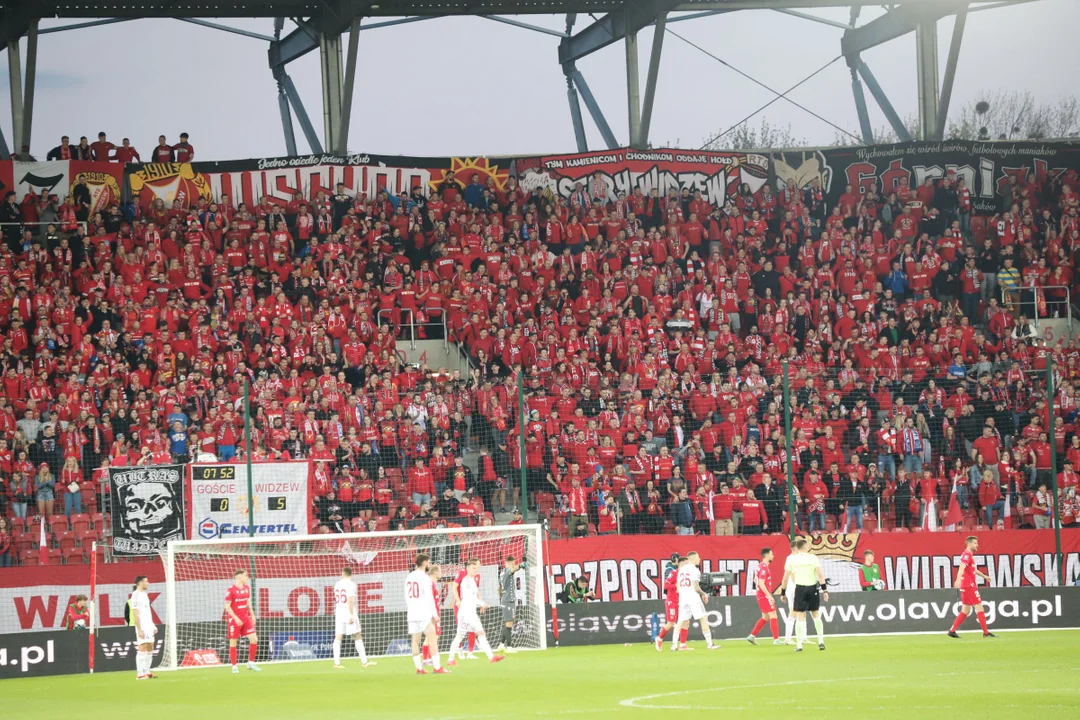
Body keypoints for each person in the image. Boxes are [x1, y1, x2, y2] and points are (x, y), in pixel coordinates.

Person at [446, 559, 505, 665]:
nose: (476, 570)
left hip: (467, 613)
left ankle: (451, 659)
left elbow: (474, 594)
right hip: (467, 613)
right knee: (479, 633)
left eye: (477, 568)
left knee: (461, 636)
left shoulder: (472, 579)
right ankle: (491, 657)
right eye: (474, 568)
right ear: (468, 568)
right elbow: (469, 597)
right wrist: (482, 603)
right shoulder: (467, 580)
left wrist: (480, 602)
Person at [779, 538, 827, 652]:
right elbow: (820, 575)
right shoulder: (813, 558)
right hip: (812, 588)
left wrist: (782, 593)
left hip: (799, 588)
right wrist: (825, 590)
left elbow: (785, 578)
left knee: (799, 616)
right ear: (805, 547)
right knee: (816, 614)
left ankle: (799, 645)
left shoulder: (792, 560)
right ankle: (821, 642)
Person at [405, 553, 447, 674]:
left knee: (415, 641)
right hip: (423, 612)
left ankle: (419, 668)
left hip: (412, 612)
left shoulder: (409, 576)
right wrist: (434, 614)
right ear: (424, 563)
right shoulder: (425, 578)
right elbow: (429, 598)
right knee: (432, 638)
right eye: (428, 562)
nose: (429, 564)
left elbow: (407, 596)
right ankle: (437, 667)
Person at [947, 535, 995, 638]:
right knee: (979, 607)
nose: (977, 545)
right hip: (969, 586)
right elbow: (961, 567)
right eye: (975, 543)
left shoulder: (969, 555)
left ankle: (952, 631)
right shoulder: (967, 555)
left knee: (966, 610)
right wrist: (958, 579)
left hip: (967, 586)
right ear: (969, 544)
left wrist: (984, 576)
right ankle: (986, 633)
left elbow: (972, 570)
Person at [673, 551, 720, 651]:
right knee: (703, 618)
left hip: (683, 597)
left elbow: (678, 585)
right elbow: (696, 587)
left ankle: (674, 645)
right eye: (698, 557)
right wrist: (704, 594)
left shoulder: (681, 569)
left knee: (680, 621)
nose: (699, 559)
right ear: (693, 559)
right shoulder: (694, 570)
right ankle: (709, 644)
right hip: (692, 597)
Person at [332, 567, 375, 669]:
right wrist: (351, 615)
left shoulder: (337, 584)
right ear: (351, 574)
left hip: (339, 611)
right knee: (357, 635)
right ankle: (364, 662)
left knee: (338, 637)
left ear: (342, 573)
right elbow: (350, 600)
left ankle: (336, 663)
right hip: (348, 612)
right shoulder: (351, 584)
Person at [225, 569, 260, 673]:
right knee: (233, 642)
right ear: (239, 576)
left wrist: (252, 615)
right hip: (234, 620)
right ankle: (234, 666)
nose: (247, 577)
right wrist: (235, 618)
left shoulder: (247, 588)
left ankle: (251, 663)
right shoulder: (230, 590)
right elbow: (227, 606)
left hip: (246, 619)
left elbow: (248, 603)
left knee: (254, 639)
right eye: (245, 575)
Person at [746, 547, 782, 645]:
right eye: (772, 554)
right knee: (773, 615)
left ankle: (752, 636)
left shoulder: (759, 566)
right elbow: (761, 583)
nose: (773, 556)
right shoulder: (764, 567)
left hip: (760, 595)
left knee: (765, 617)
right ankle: (776, 640)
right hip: (763, 595)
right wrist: (769, 596)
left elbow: (755, 580)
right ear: (767, 555)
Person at [450, 561, 478, 660]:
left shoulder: (476, 576)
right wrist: (458, 601)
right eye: (475, 566)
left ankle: (470, 653)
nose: (477, 567)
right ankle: (460, 650)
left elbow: (476, 590)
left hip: (470, 605)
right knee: (461, 628)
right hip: (460, 605)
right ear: (469, 567)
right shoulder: (461, 573)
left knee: (472, 628)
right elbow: (454, 587)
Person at [131, 576, 157, 680]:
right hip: (142, 626)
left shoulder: (145, 594)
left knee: (150, 647)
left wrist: (152, 624)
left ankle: (147, 671)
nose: (148, 583)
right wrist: (139, 629)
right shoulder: (135, 595)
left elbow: (147, 612)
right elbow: (135, 613)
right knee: (142, 647)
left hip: (148, 625)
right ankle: (140, 674)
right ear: (140, 582)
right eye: (146, 581)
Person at [654, 554, 681, 651]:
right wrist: (675, 586)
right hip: (671, 601)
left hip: (679, 601)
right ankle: (659, 638)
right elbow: (666, 586)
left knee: (681, 622)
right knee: (671, 622)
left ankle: (676, 645)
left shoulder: (683, 574)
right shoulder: (673, 572)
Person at [497, 555, 520, 653]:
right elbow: (513, 570)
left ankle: (501, 645)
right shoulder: (507, 571)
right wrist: (521, 565)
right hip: (508, 600)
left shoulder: (502, 573)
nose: (514, 565)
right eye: (513, 563)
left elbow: (500, 587)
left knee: (508, 623)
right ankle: (509, 647)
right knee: (509, 624)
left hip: (507, 599)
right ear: (510, 563)